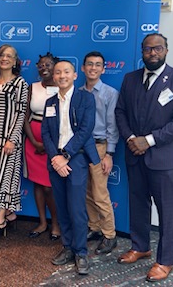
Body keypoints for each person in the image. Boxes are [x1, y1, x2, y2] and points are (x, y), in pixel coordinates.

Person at [115, 33, 173, 282]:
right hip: (134, 155)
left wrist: (147, 140)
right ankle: (140, 246)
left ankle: (165, 260)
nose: (152, 53)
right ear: (142, 51)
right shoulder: (130, 79)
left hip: (164, 159)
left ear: (166, 50)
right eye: (148, 49)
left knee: (167, 211)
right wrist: (130, 139)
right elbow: (120, 112)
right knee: (137, 204)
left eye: (157, 48)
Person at [41, 60, 100, 275]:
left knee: (76, 208)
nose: (62, 75)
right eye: (58, 72)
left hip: (75, 158)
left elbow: (86, 130)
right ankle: (67, 247)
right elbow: (45, 133)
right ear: (54, 77)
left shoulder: (86, 98)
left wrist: (65, 155)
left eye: (66, 72)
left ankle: (81, 252)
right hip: (55, 160)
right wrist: (56, 157)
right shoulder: (49, 102)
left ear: (75, 75)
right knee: (62, 207)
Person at [0, 44, 28, 240]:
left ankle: (0, 220)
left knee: (6, 179)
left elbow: (21, 114)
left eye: (9, 56)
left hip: (10, 140)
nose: (5, 58)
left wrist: (12, 139)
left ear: (15, 61)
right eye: (2, 55)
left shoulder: (20, 84)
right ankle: (10, 214)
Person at [79, 51, 119, 254]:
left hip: (99, 146)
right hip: (80, 146)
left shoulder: (110, 93)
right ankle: (94, 228)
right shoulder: (78, 92)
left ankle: (110, 235)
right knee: (86, 191)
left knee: (100, 192)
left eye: (97, 65)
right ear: (83, 68)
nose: (93, 68)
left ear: (103, 69)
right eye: (89, 64)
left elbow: (113, 125)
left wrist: (109, 153)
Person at [23, 52, 61, 240]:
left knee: (49, 186)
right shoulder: (33, 87)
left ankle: (56, 223)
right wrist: (34, 141)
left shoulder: (63, 87)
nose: (44, 67)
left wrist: (48, 144)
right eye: (40, 65)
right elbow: (25, 116)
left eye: (48, 64)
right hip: (33, 142)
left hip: (53, 142)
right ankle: (42, 222)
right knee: (38, 184)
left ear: (56, 67)